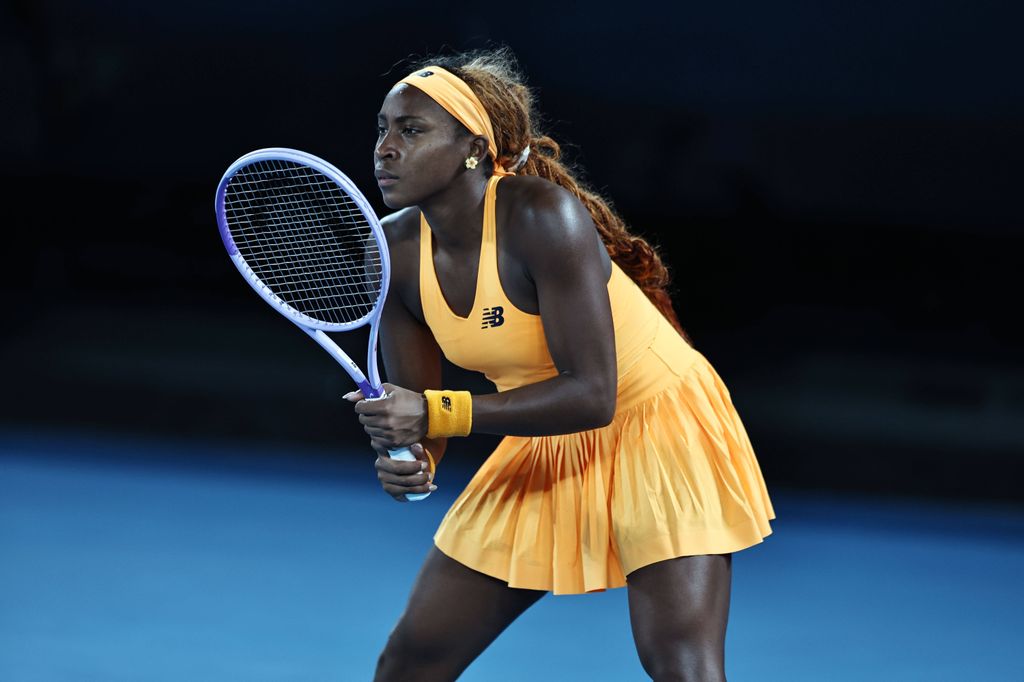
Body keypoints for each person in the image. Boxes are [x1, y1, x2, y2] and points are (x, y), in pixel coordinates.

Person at [344, 48, 775, 681]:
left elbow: (593, 395)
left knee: (681, 665)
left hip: (657, 424)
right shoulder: (393, 252)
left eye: (411, 130)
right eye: (382, 128)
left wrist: (431, 414)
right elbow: (422, 407)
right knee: (412, 660)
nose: (385, 148)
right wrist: (416, 455)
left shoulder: (540, 216)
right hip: (544, 433)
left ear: (472, 147)